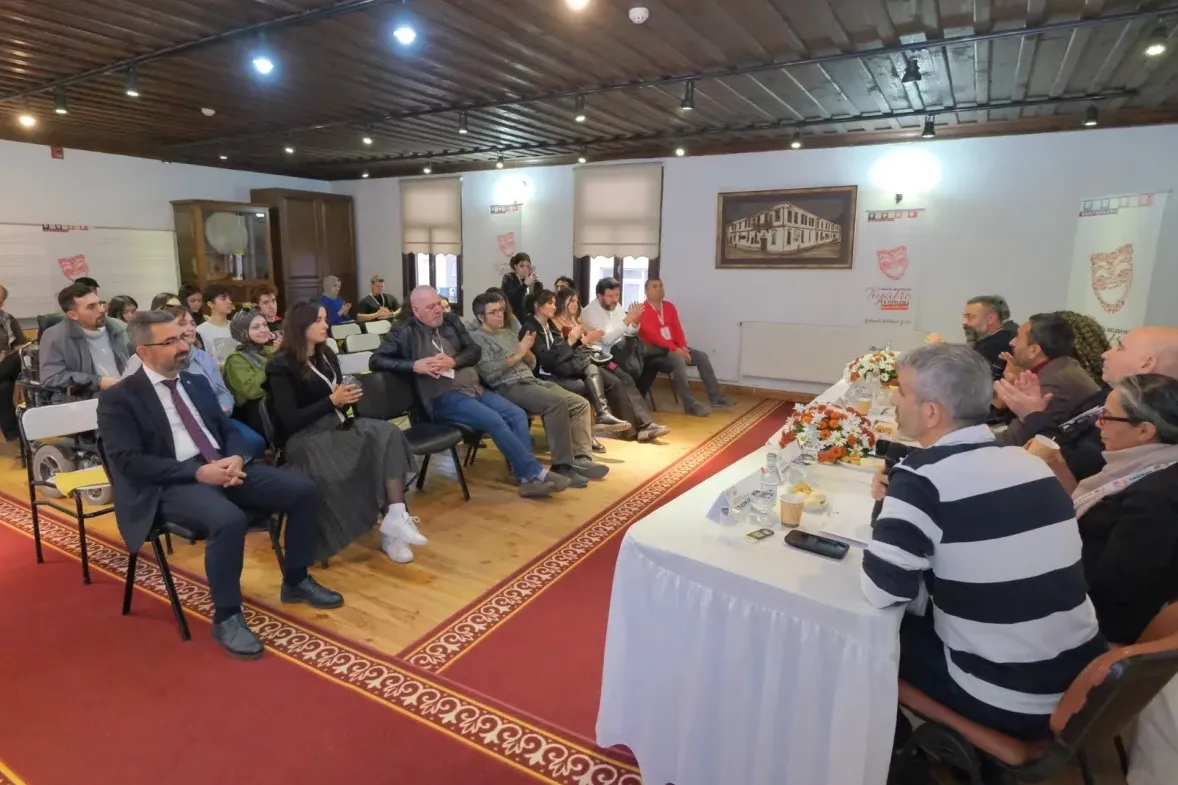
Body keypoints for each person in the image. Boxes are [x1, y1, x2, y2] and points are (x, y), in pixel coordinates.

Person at [863, 343, 1105, 741]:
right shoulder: (1031, 463)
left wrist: (891, 508)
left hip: (1008, 697)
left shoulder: (922, 479)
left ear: (931, 412)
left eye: (901, 391)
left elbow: (884, 591)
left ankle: (889, 752)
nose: (892, 399)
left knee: (860, 637)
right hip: (1084, 685)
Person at [97, 310, 344, 660]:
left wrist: (237, 457)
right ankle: (227, 616)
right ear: (144, 352)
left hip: (222, 466)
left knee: (303, 491)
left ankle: (296, 580)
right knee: (228, 520)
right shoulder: (120, 398)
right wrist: (198, 473)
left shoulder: (194, 382)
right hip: (167, 483)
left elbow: (229, 430)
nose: (183, 346)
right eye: (171, 342)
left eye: (183, 338)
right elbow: (129, 462)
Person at [265, 302, 426, 564]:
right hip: (302, 438)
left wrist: (346, 398)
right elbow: (290, 419)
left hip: (335, 425)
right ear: (301, 325)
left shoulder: (326, 354)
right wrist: (332, 400)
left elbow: (337, 398)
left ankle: (396, 518)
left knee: (387, 433)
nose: (325, 325)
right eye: (318, 320)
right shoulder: (281, 365)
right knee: (358, 457)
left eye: (325, 319)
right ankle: (387, 525)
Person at [370, 285, 566, 499]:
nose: (438, 310)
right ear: (416, 310)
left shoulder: (451, 321)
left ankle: (526, 478)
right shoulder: (403, 330)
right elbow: (376, 360)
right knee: (494, 420)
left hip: (474, 388)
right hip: (442, 397)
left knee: (517, 414)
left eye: (438, 304)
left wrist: (453, 361)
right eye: (430, 307)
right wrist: (415, 365)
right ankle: (535, 473)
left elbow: (474, 351)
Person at [995, 326, 1178, 485]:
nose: (1105, 353)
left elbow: (1072, 467)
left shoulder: (1136, 416)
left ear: (1146, 364)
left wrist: (1033, 414)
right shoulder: (1108, 394)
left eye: (1120, 348)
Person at [1071, 374, 1178, 644]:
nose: (1098, 423)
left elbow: (1116, 591)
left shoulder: (1153, 499)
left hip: (1097, 627)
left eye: (1107, 416)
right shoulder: (1149, 467)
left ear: (1144, 431)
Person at [469, 291, 609, 486]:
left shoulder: (507, 333)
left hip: (530, 379)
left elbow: (532, 363)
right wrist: (518, 354)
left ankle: (581, 459)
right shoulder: (477, 339)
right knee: (556, 403)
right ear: (480, 317)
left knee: (580, 404)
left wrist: (527, 353)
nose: (500, 314)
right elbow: (489, 372)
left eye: (501, 310)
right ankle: (562, 466)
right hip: (509, 385)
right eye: (493, 312)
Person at [525, 289, 668, 442]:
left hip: (589, 358)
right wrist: (582, 340)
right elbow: (558, 354)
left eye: (576, 301)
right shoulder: (553, 323)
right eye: (571, 301)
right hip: (576, 363)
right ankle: (630, 427)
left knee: (623, 377)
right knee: (614, 381)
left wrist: (586, 339)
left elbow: (573, 346)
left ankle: (641, 425)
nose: (575, 304)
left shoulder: (573, 320)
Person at [124, 307, 266, 460]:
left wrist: (222, 409)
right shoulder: (141, 362)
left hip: (215, 418)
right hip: (174, 427)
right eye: (183, 324)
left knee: (253, 443)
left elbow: (223, 393)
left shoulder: (204, 358)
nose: (190, 328)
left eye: (192, 323)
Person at [994, 312, 1100, 446]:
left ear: (1033, 350)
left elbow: (1012, 440)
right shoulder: (1059, 368)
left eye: (1018, 337)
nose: (1011, 342)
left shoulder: (1055, 382)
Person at [637, 278, 733, 415]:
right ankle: (690, 405)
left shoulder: (669, 307)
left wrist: (682, 346)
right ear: (646, 291)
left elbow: (677, 329)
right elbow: (655, 337)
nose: (659, 289)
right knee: (678, 360)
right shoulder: (642, 310)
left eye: (661, 286)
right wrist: (675, 349)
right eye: (655, 286)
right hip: (656, 353)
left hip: (675, 348)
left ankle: (715, 397)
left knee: (702, 357)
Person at [38, 282, 130, 401]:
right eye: (91, 307)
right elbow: (51, 378)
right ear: (73, 315)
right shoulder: (55, 337)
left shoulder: (120, 328)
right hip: (83, 401)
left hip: (125, 396)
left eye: (100, 303)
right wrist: (98, 382)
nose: (102, 310)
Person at [581, 277, 652, 390]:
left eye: (617, 295)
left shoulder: (616, 306)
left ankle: (638, 395)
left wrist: (635, 322)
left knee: (651, 363)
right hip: (607, 355)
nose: (615, 299)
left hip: (624, 348)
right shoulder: (590, 312)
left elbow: (629, 331)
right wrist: (627, 319)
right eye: (610, 296)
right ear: (599, 296)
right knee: (634, 371)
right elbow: (607, 340)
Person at [223, 309, 278, 440]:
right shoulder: (236, 359)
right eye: (255, 327)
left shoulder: (271, 350)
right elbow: (252, 390)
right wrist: (276, 359)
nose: (263, 330)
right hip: (255, 414)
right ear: (242, 332)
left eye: (265, 325)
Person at [0, 283, 29, 442]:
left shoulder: (7, 319)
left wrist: (6, 354)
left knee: (20, 358)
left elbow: (21, 346)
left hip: (6, 364)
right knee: (4, 387)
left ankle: (14, 436)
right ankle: (14, 436)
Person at [195, 283, 236, 363]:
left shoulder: (236, 327)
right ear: (210, 304)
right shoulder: (200, 331)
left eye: (229, 298)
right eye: (223, 298)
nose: (229, 302)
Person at [501, 252, 543, 320]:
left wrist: (538, 286)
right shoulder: (509, 279)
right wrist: (525, 285)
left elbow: (538, 303)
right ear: (515, 266)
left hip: (531, 318)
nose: (525, 269)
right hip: (514, 317)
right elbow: (512, 301)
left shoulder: (534, 282)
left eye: (527, 266)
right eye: (522, 266)